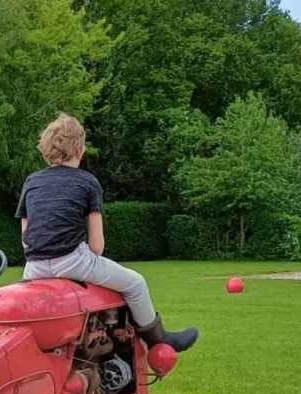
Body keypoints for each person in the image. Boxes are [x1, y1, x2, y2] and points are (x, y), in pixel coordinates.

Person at [16, 113, 199, 352]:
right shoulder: (88, 182)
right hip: (72, 260)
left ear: (45, 148)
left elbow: (26, 238)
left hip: (34, 267)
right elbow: (97, 246)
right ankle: (158, 341)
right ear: (81, 150)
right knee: (135, 283)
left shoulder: (32, 182)